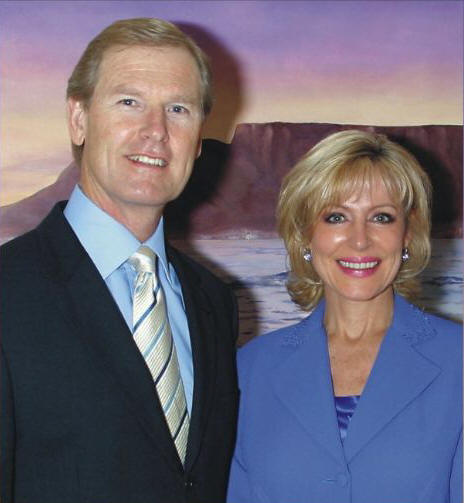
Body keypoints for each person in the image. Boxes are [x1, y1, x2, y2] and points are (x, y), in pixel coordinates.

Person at [1, 18, 239, 503]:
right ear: (79, 119)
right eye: (129, 102)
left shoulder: (215, 303)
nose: (156, 131)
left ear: (198, 140)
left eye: (178, 109)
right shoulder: (8, 291)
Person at [227, 130, 462, 503]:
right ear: (306, 234)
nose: (360, 240)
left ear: (407, 233)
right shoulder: (251, 369)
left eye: (381, 217)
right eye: (336, 217)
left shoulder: (458, 361)